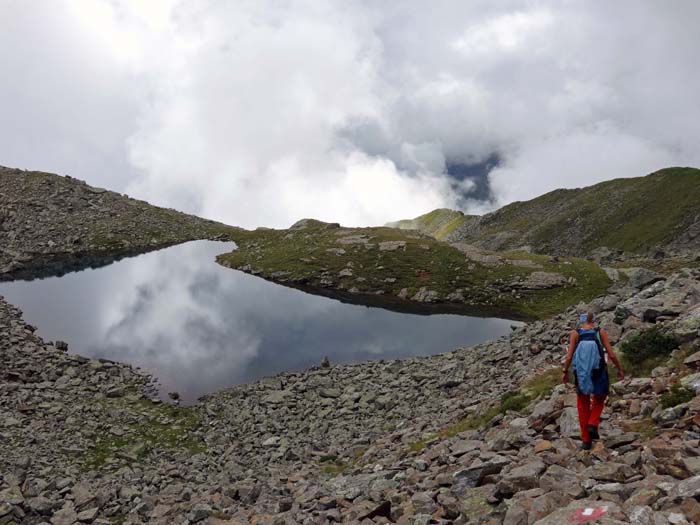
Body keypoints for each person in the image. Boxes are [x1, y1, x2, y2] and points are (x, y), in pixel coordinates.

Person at [562, 311, 624, 450]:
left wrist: (565, 372)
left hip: (582, 372)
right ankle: (593, 423)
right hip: (599, 369)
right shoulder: (599, 332)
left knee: (582, 403)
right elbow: (611, 353)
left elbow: (569, 356)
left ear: (581, 321)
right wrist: (619, 369)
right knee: (600, 397)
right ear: (594, 321)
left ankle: (586, 440)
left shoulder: (575, 333)